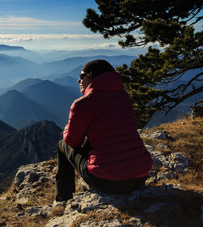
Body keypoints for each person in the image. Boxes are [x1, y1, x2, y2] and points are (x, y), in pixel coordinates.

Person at [56, 59, 153, 201]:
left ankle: (63, 198)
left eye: (81, 76)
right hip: (140, 176)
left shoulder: (83, 104)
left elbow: (72, 141)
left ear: (91, 77)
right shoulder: (125, 97)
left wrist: (66, 130)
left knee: (62, 145)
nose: (78, 80)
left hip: (108, 182)